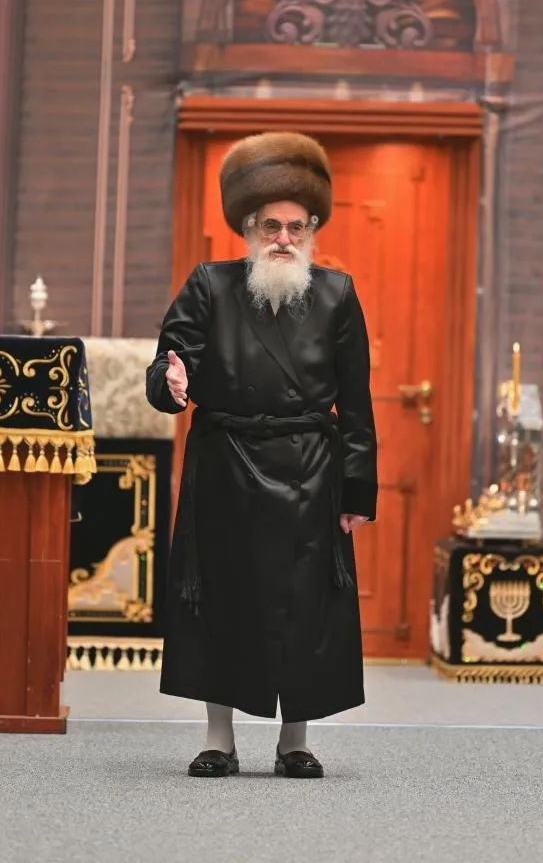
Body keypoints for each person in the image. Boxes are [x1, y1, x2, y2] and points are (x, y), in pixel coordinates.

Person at [146, 131, 377, 779]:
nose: (283, 238)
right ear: (248, 227)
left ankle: (293, 742)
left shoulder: (336, 292)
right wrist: (168, 382)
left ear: (312, 231)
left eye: (296, 227)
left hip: (311, 472)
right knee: (221, 601)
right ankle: (218, 741)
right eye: (271, 225)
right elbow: (167, 365)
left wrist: (357, 491)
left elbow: (357, 403)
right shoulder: (209, 285)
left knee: (304, 608)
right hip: (225, 466)